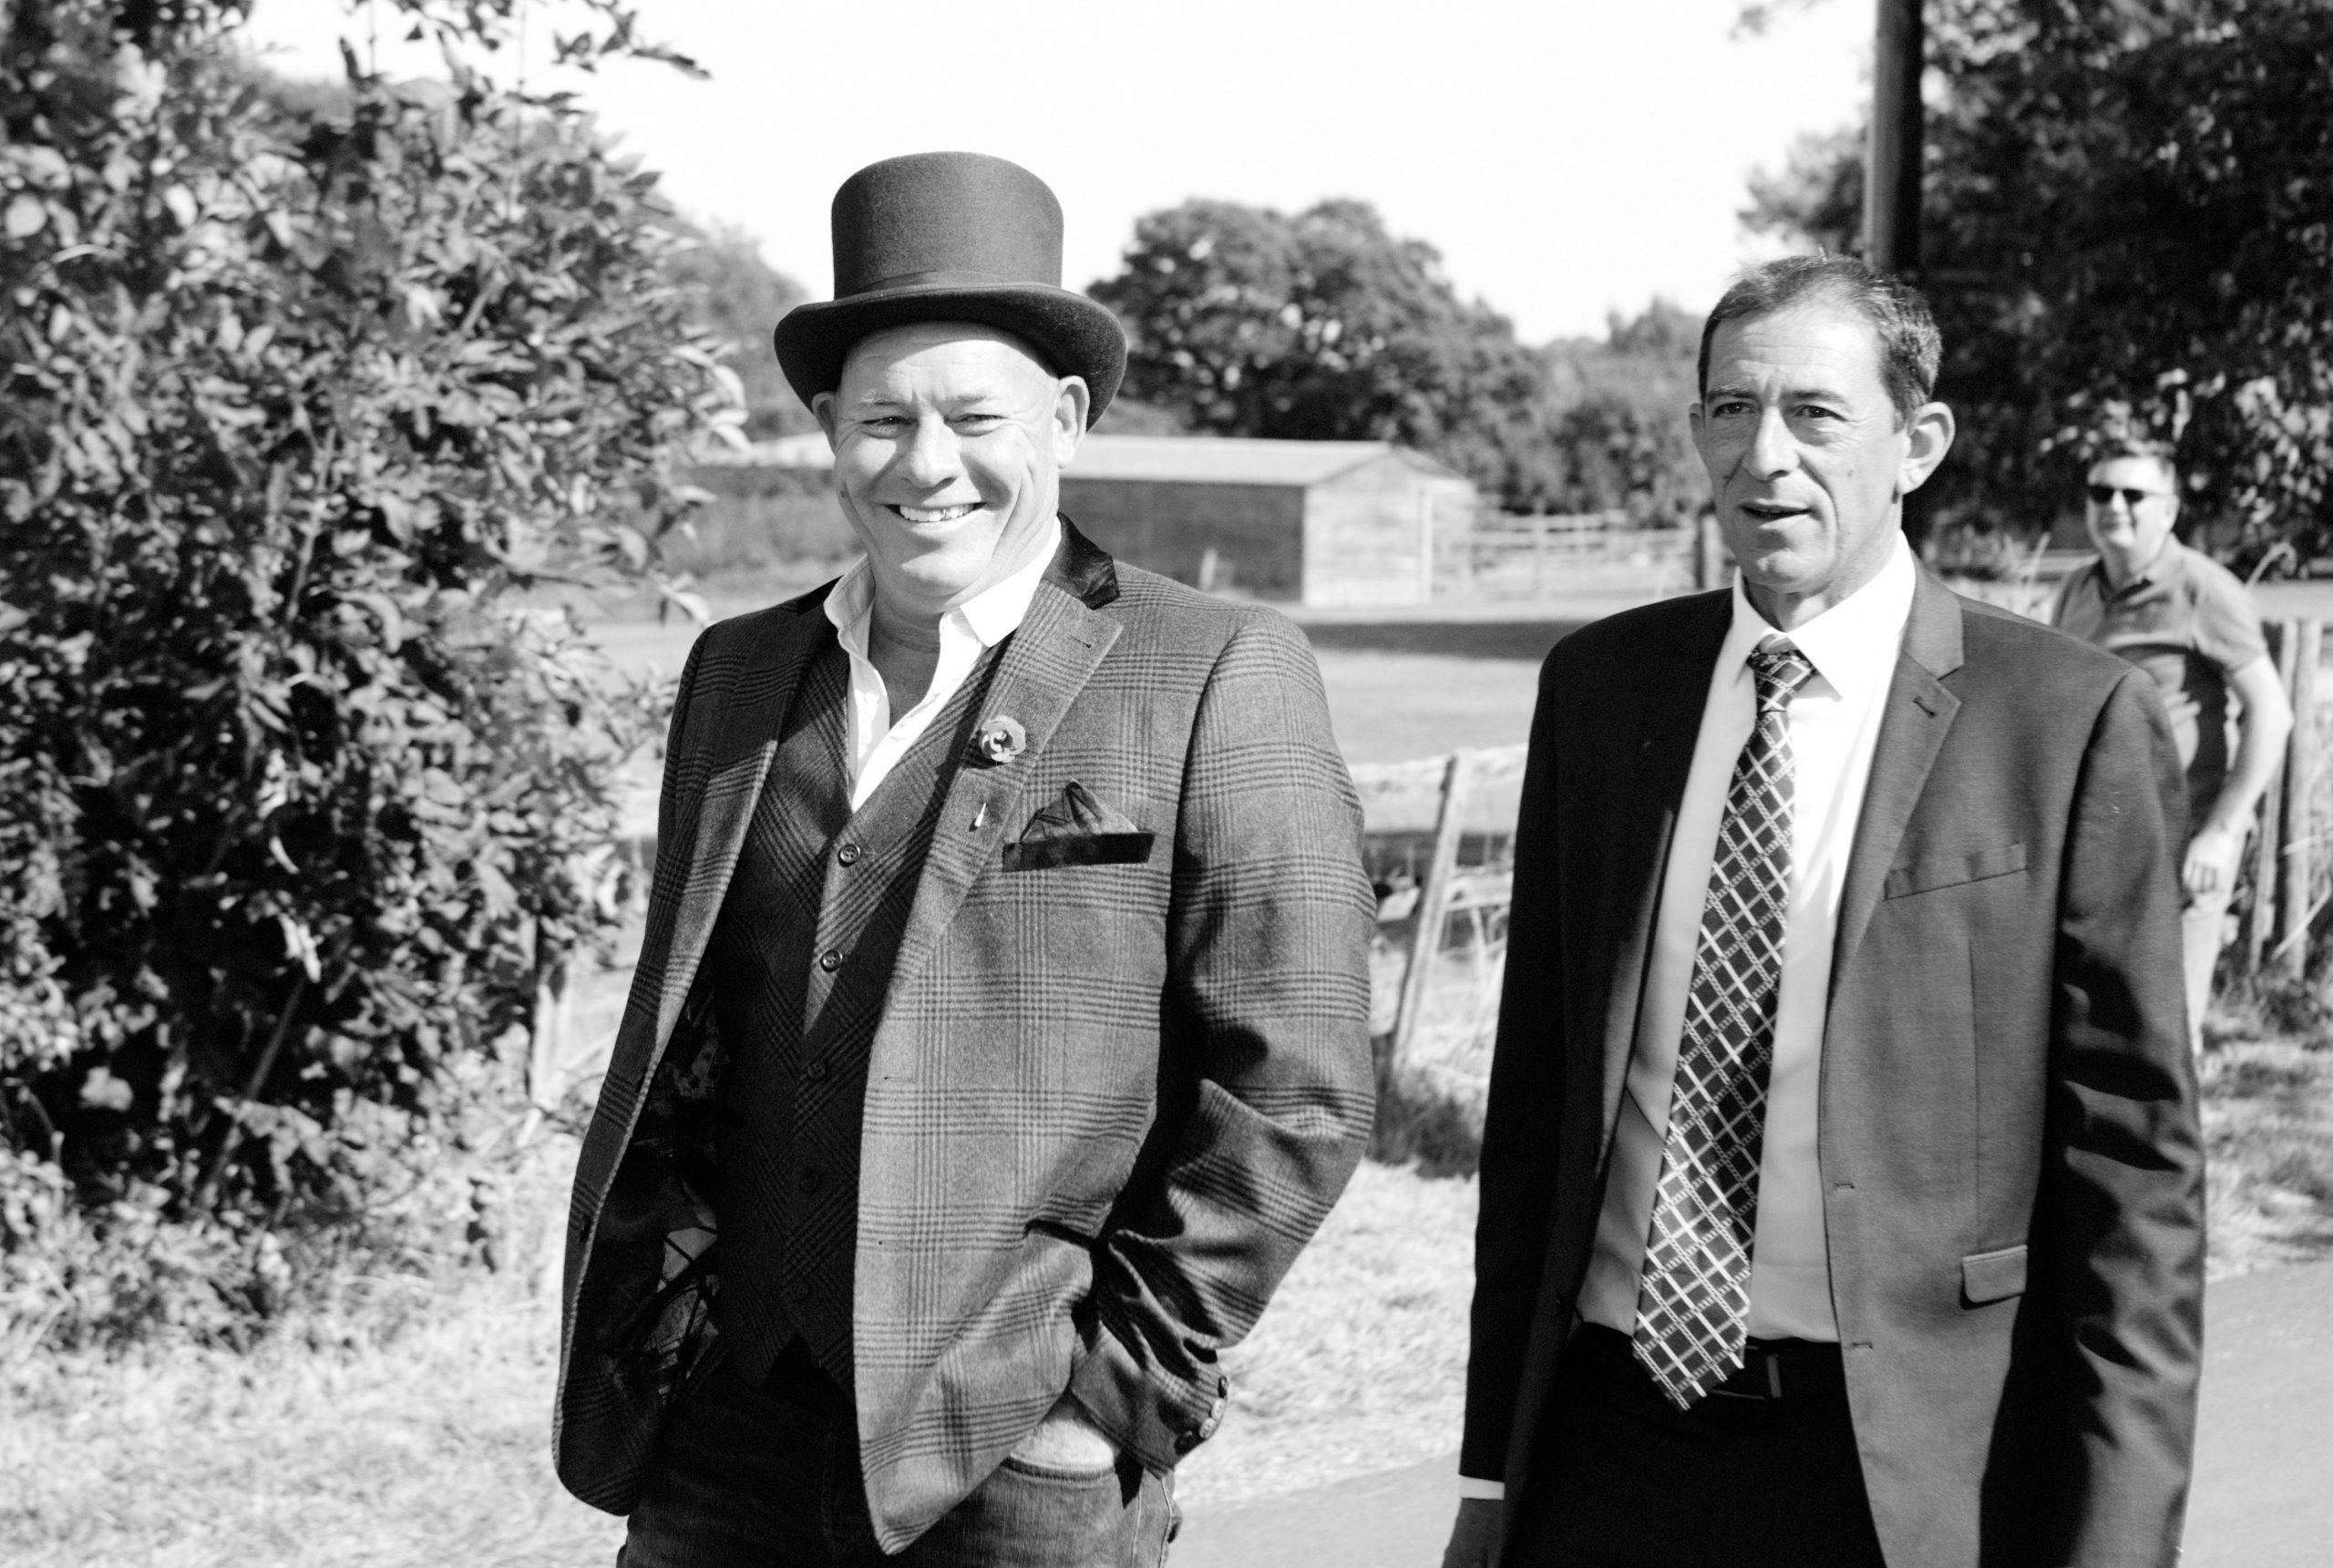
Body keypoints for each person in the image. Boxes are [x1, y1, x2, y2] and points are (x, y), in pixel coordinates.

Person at [553, 151, 1376, 1566]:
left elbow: (1295, 1087)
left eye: (974, 417)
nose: (926, 465)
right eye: (883, 418)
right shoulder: (735, 675)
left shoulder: (1214, 669)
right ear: (828, 429)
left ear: (1065, 418)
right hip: (723, 1436)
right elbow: (692, 1042)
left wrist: (1110, 1399)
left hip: (1023, 1458)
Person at [1442, 255, 2205, 1568]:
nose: (1765, 455)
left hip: (1902, 1468)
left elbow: (2135, 1186)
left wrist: (2116, 1545)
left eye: (1814, 413)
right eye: (1731, 410)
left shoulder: (2067, 722)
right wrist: (1488, 1473)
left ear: (1919, 442)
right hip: (1605, 1445)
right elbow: (1536, 1112)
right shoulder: (1602, 691)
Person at [2050, 440, 2293, 1058]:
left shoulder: (2205, 589)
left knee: (2165, 1036)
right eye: (2101, 492)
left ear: (2170, 509)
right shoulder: (2076, 589)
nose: (2115, 506)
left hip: (2180, 844)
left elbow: (2272, 713)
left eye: (2134, 494)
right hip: (2098, 842)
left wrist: (2222, 832)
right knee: (2097, 1028)